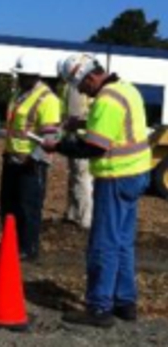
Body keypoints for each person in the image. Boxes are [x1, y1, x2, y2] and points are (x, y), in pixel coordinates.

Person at [45, 54, 151, 328]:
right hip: (136, 174)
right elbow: (114, 128)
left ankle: (99, 307)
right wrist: (79, 124)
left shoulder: (106, 101)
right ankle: (125, 303)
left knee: (103, 244)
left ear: (90, 78)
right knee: (122, 243)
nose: (82, 91)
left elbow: (93, 148)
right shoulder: (126, 89)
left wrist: (57, 147)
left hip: (115, 177)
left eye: (81, 86)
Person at [0, 55, 60, 261]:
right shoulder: (19, 95)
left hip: (31, 163)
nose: (19, 79)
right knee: (9, 204)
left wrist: (33, 158)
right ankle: (11, 243)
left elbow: (50, 135)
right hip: (12, 157)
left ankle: (28, 248)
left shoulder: (47, 99)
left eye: (22, 75)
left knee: (29, 207)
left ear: (33, 75)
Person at [57, 59, 93, 230]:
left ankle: (85, 217)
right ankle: (73, 212)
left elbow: (74, 115)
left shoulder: (74, 88)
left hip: (80, 138)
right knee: (76, 176)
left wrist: (64, 128)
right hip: (78, 137)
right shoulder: (72, 87)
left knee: (81, 177)